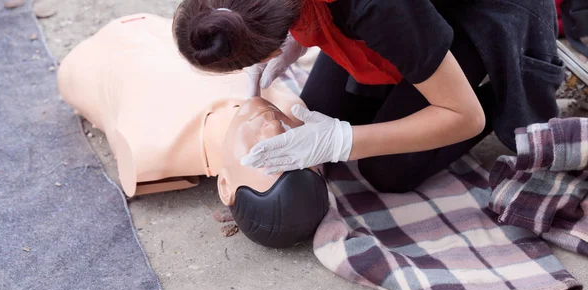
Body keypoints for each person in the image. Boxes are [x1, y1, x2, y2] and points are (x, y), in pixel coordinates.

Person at [172, 0, 565, 193]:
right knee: (321, 111)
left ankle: (497, 87)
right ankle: (423, 73)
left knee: (388, 169)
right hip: (409, 14)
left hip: (479, 12)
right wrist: (296, 38)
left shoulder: (376, 8)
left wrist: (342, 140)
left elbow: (464, 118)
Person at [58, 13, 328, 248]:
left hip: (97, 52)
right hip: (170, 25)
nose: (273, 127)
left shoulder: (150, 149)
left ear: (225, 185)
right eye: (291, 143)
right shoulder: (292, 110)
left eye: (268, 155)